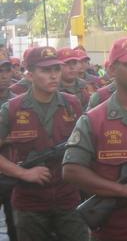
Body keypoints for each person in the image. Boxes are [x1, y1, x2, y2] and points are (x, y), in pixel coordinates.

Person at [62, 37, 127, 241]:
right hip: (114, 231)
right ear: (112, 70)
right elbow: (71, 170)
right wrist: (124, 190)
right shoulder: (93, 120)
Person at [0, 46, 88, 241]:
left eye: (56, 69)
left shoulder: (71, 103)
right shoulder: (13, 109)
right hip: (30, 203)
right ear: (30, 74)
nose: (53, 76)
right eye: (46, 70)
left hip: (68, 198)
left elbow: (85, 145)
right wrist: (23, 173)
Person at [0, 51, 17, 241]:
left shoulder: (18, 102)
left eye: (7, 70)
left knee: (15, 226)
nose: (4, 76)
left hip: (13, 171)